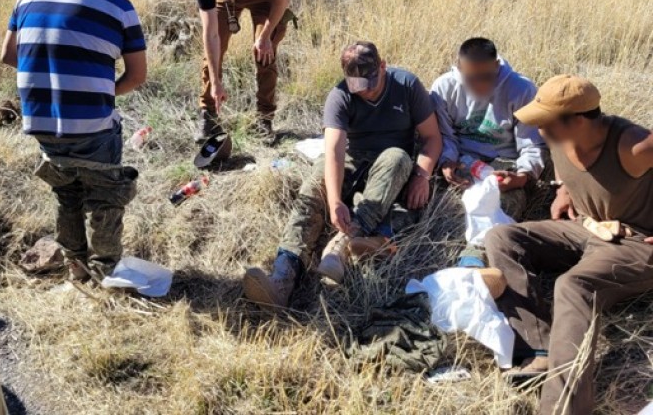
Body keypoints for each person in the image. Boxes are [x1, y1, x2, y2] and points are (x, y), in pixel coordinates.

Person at [485, 75, 653, 415]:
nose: (539, 130)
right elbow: (568, 174)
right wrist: (565, 191)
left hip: (636, 244)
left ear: (577, 121)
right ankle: (541, 350)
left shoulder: (634, 146)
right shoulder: (559, 138)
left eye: (544, 122)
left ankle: (563, 408)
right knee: (501, 237)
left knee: (573, 287)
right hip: (586, 228)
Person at [243, 41, 442, 307]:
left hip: (392, 163)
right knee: (315, 185)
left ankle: (343, 245)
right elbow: (335, 150)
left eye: (371, 83)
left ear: (383, 66)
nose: (366, 93)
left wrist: (422, 175)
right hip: (353, 159)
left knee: (396, 158)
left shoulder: (407, 86)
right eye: (358, 86)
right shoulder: (340, 95)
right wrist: (335, 201)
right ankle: (282, 278)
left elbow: (432, 138)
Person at [0, 0, 147, 281]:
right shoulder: (117, 5)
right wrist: (98, 92)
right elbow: (137, 76)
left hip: (39, 119)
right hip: (92, 125)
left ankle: (75, 268)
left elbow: (8, 55)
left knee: (67, 192)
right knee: (106, 197)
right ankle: (104, 270)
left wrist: (53, 79)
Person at [431, 37, 547, 267]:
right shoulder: (443, 88)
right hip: (462, 158)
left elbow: (532, 145)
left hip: (503, 162)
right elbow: (445, 136)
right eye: (470, 78)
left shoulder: (521, 90)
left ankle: (476, 252)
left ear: (497, 66)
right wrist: (447, 160)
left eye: (486, 77)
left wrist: (522, 176)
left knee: (505, 199)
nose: (479, 85)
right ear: (459, 68)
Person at [194, 0, 295, 143]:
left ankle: (264, 119)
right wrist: (215, 82)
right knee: (213, 53)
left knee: (264, 54)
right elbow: (211, 34)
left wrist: (266, 36)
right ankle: (208, 115)